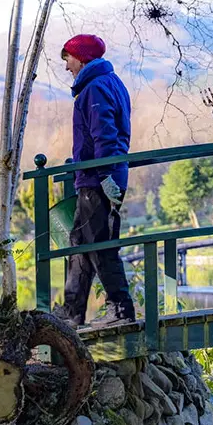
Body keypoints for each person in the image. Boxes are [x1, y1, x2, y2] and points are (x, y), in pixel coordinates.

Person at [53, 34, 135, 329]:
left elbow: (105, 135)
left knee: (99, 245)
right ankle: (71, 311)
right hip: (99, 175)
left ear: (83, 58)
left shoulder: (95, 88)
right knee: (81, 241)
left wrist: (104, 176)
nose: (66, 67)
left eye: (69, 59)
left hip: (98, 177)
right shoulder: (107, 83)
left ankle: (121, 309)